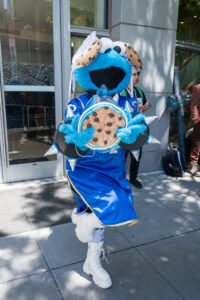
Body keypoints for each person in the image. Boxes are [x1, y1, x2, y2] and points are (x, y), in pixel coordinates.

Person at [55, 33, 150, 289]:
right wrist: (75, 141)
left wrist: (134, 136)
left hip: (113, 170)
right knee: (103, 209)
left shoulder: (129, 103)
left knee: (109, 212)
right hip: (84, 171)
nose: (106, 80)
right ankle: (93, 259)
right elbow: (63, 137)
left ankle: (91, 260)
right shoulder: (78, 104)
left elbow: (140, 133)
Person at [121, 70, 152, 188]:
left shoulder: (139, 91)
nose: (137, 77)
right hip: (125, 128)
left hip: (138, 128)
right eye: (134, 74)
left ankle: (133, 178)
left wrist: (146, 107)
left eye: (138, 74)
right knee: (122, 155)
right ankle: (120, 179)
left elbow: (143, 107)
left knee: (137, 155)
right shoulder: (121, 91)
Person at [189, 83, 200, 176]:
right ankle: (193, 164)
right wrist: (196, 121)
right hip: (199, 122)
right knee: (197, 143)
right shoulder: (197, 88)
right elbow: (194, 105)